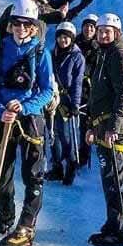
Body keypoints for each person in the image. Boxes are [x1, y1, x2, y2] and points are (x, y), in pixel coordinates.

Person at [0, 0, 54, 246]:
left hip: (31, 119)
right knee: (2, 169)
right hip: (4, 119)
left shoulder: (41, 53)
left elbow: (47, 90)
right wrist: (1, 110)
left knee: (33, 173)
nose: (21, 28)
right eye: (16, 23)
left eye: (26, 24)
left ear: (34, 27)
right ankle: (6, 213)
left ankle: (26, 226)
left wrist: (24, 107)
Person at [85, 13, 123, 246]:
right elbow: (98, 96)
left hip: (116, 129)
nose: (103, 34)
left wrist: (114, 126)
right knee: (110, 179)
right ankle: (113, 224)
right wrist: (92, 126)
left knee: (118, 180)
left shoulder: (120, 54)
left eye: (108, 31)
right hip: (104, 127)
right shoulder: (105, 53)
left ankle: (120, 232)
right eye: (100, 30)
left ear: (117, 32)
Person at [46, 22, 85, 185]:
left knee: (66, 136)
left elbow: (77, 82)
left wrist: (75, 103)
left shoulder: (77, 57)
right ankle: (56, 167)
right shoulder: (51, 53)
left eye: (67, 37)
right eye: (61, 37)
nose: (63, 40)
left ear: (72, 39)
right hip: (51, 98)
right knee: (52, 134)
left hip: (66, 101)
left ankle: (71, 165)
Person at [0, 0, 66, 39]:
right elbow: (0, 25)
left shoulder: (43, 9)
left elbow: (55, 17)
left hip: (34, 48)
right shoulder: (13, 7)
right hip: (12, 45)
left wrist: (62, 14)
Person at [75, 14, 99, 167]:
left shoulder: (99, 47)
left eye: (92, 27)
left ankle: (83, 156)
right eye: (86, 26)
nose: (89, 29)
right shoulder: (74, 42)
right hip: (73, 89)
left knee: (85, 124)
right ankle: (70, 152)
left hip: (88, 91)